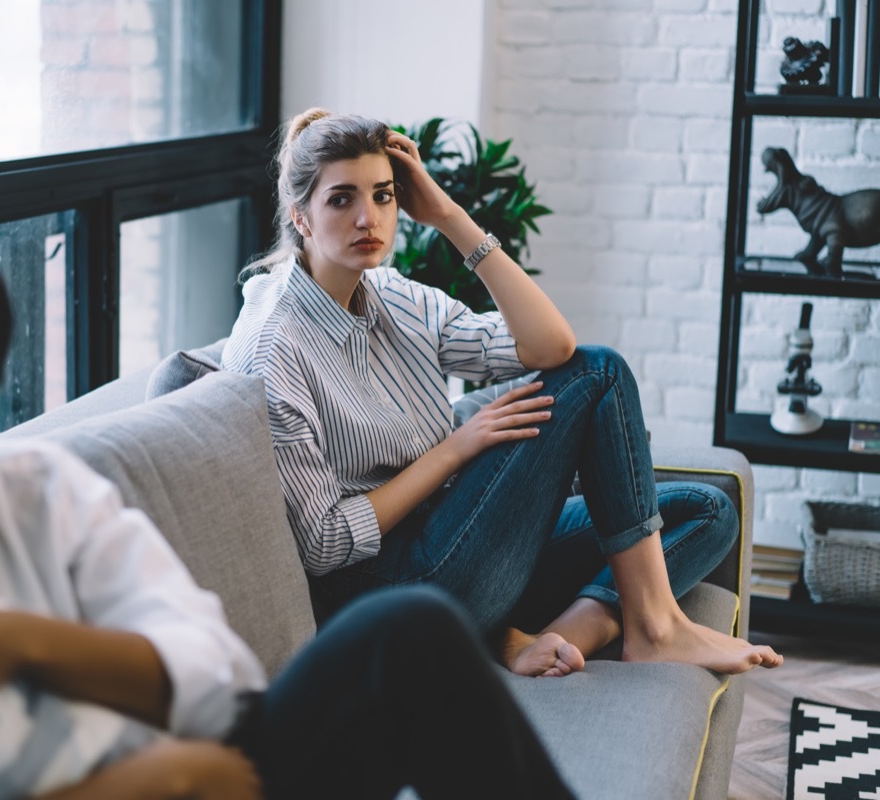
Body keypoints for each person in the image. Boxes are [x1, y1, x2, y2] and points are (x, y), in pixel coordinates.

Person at [0, 198, 575, 800]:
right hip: (176, 781)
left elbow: (219, 674)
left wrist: (20, 644)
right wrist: (158, 781)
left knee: (407, 634)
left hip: (206, 778)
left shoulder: (29, 489)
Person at [222, 108, 784, 679]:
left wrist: (449, 216)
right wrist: (457, 448)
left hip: (461, 542)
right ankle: (653, 627)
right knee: (600, 374)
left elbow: (549, 346)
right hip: (389, 589)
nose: (369, 217)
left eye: (384, 195)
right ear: (301, 216)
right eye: (342, 199)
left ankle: (556, 634)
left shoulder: (391, 295)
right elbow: (323, 543)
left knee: (707, 511)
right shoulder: (275, 346)